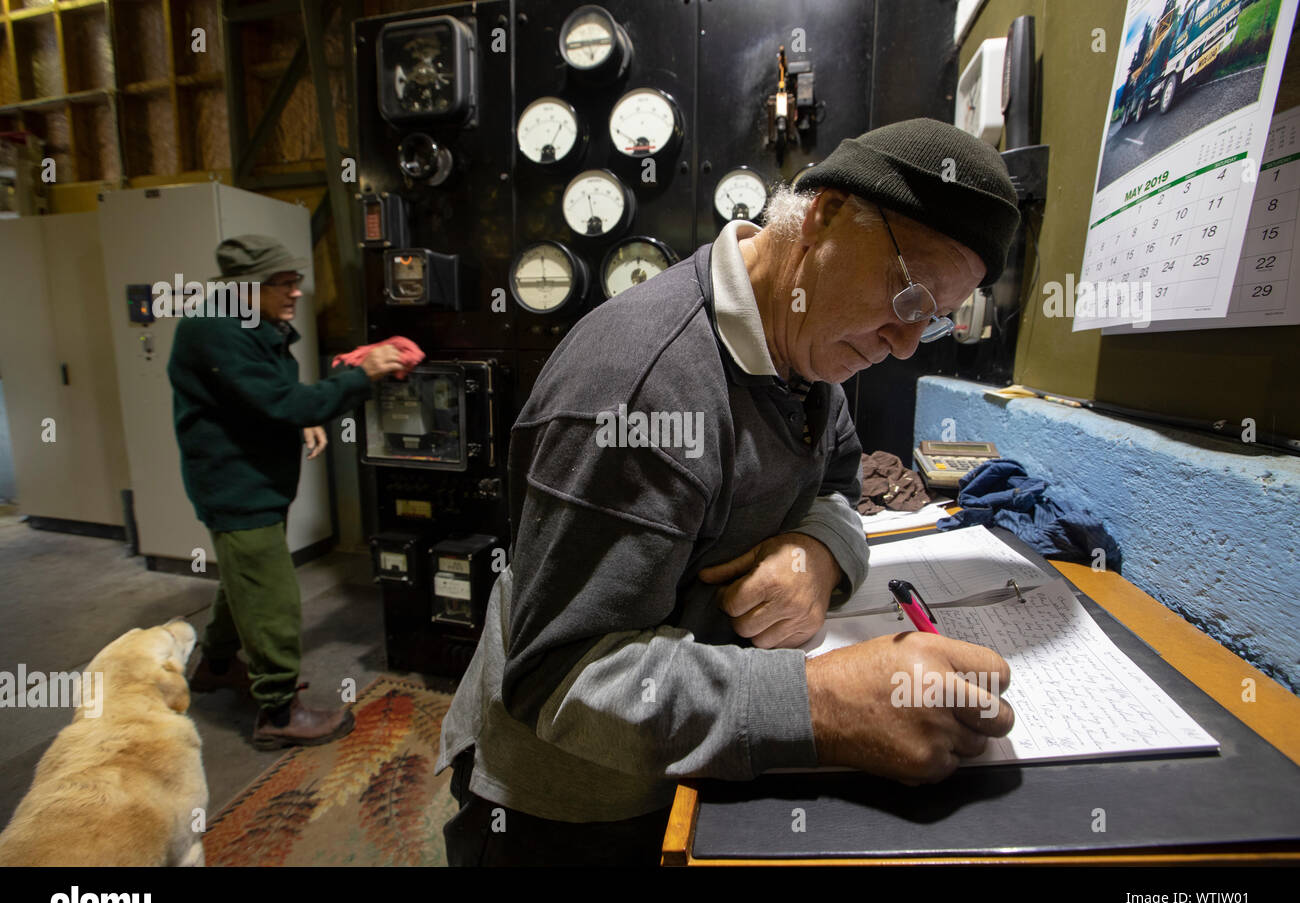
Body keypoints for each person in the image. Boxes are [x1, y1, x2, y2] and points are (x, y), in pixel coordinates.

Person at [437, 118, 1024, 864]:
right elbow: (563, 678)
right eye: (908, 296)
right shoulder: (638, 389)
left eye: (934, 321)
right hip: (572, 805)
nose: (904, 344)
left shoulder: (809, 349)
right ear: (825, 216)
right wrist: (822, 704)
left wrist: (820, 550)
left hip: (692, 773)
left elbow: (841, 481)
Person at [168, 235, 407, 749]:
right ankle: (278, 711)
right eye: (284, 283)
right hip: (236, 487)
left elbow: (260, 398)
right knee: (272, 597)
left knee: (245, 580)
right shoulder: (214, 331)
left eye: (296, 282)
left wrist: (300, 417)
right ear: (245, 287)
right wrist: (353, 381)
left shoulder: (253, 322)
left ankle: (213, 665)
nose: (296, 293)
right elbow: (279, 400)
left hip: (260, 482)